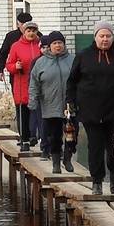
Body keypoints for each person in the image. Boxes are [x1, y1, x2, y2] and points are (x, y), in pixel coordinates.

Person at [66, 21, 114, 195]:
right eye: (101, 36)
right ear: (95, 37)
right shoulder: (84, 56)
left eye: (108, 36)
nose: (105, 39)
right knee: (95, 147)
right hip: (91, 110)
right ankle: (97, 181)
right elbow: (71, 81)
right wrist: (70, 103)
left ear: (113, 37)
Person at [29, 31, 75, 173]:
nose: (58, 46)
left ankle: (67, 158)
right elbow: (34, 83)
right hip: (50, 105)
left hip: (70, 106)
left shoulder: (72, 60)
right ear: (49, 46)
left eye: (60, 43)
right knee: (54, 136)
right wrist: (33, 101)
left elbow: (82, 80)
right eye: (55, 43)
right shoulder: (41, 63)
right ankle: (56, 162)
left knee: (72, 135)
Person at [6, 21, 42, 149]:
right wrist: (15, 66)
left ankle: (36, 137)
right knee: (23, 112)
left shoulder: (41, 44)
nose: (31, 33)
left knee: (37, 112)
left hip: (38, 85)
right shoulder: (16, 46)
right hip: (22, 83)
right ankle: (24, 139)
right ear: (24, 32)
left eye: (34, 30)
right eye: (28, 31)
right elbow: (9, 65)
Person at [0, 12, 41, 84]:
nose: (24, 27)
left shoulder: (38, 37)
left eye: (27, 25)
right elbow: (3, 54)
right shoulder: (11, 36)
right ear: (18, 24)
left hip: (36, 76)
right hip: (17, 76)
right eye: (22, 24)